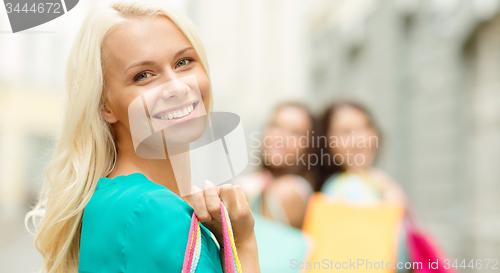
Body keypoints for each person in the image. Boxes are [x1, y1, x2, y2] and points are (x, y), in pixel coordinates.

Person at [25, 1, 260, 272]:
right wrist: (242, 243)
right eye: (143, 76)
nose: (177, 87)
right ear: (104, 105)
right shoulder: (151, 210)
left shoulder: (113, 200)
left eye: (184, 61)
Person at [316, 100, 410, 270]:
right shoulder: (348, 187)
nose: (359, 139)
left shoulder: (374, 182)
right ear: (327, 142)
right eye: (346, 132)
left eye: (365, 127)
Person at [240, 102, 316, 229]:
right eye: (276, 126)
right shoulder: (262, 182)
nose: (281, 137)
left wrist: (243, 193)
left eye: (295, 133)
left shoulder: (291, 190)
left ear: (309, 145)